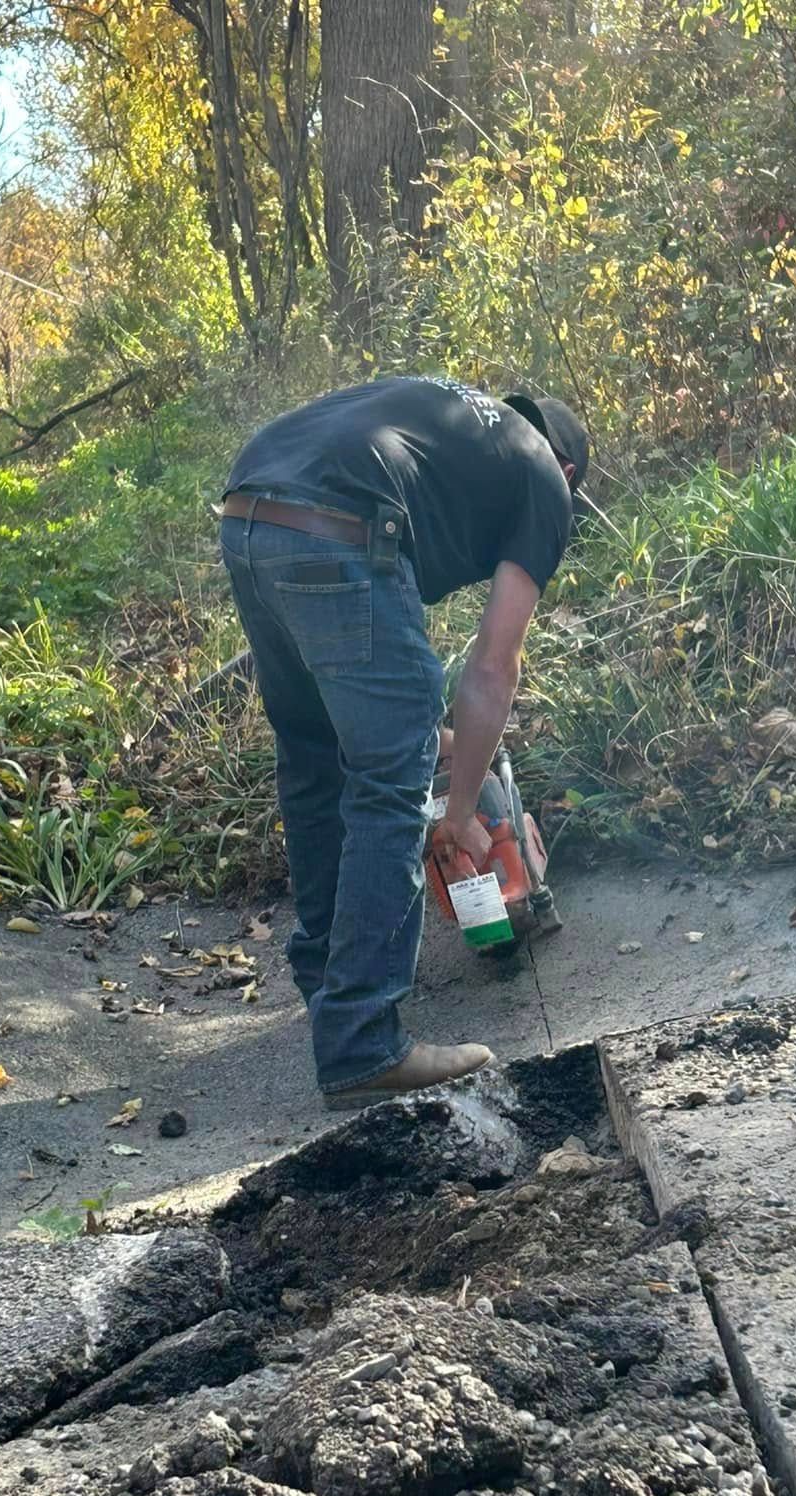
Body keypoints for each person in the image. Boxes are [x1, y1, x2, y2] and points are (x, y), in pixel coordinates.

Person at [219, 376, 589, 1106]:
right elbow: (491, 669)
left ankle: (332, 987)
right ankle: (361, 1043)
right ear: (570, 473)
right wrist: (456, 817)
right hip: (340, 527)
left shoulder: (461, 428)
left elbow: (367, 678)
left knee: (316, 763)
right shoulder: (545, 477)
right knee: (389, 784)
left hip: (248, 515)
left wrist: (439, 741)